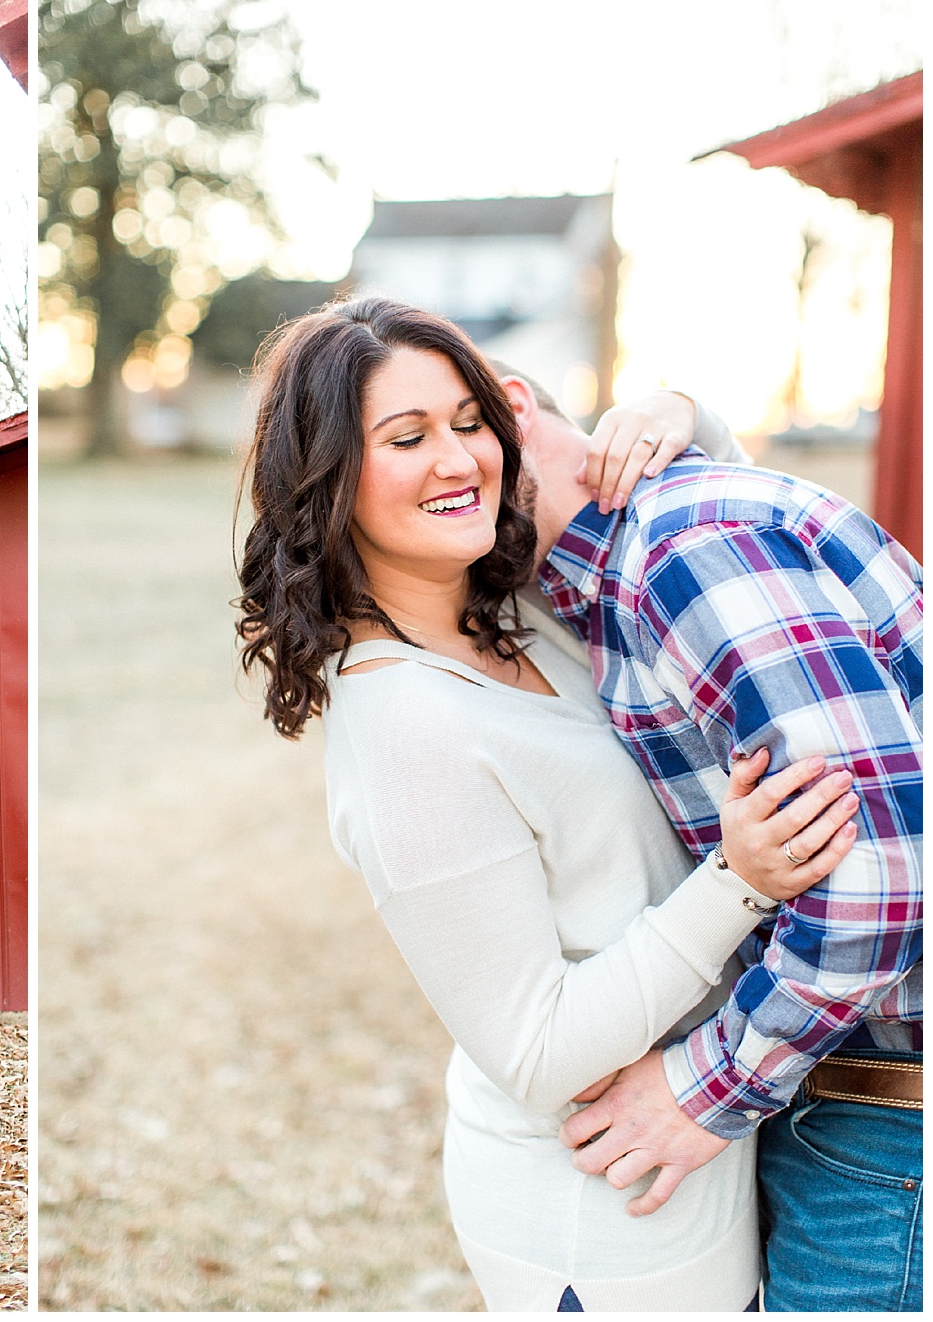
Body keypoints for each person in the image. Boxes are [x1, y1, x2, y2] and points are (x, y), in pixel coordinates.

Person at [235, 296, 859, 1310]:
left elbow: (722, 552)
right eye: (408, 438)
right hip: (600, 1212)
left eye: (468, 423)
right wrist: (737, 882)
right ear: (328, 480)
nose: (458, 461)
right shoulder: (407, 726)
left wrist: (683, 413)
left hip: (700, 1159)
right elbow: (535, 1049)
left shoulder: (516, 609)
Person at [504, 358, 923, 1311]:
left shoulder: (683, 551)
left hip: (896, 1113)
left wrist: (709, 1086)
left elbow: (878, 877)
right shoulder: (610, 576)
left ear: (512, 408)